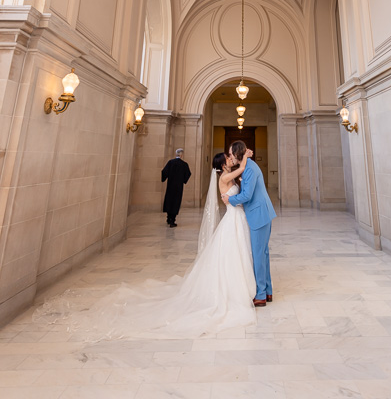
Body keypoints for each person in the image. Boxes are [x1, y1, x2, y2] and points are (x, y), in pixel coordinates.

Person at [34, 147, 257, 339]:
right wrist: (245, 157)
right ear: (222, 165)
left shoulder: (228, 177)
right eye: (227, 158)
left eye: (230, 157)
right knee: (228, 253)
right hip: (231, 219)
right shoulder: (224, 178)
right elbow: (240, 170)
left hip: (235, 219)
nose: (230, 159)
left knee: (233, 253)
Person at [222, 139, 276, 307]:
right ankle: (267, 291)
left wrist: (230, 199)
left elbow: (247, 195)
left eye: (231, 154)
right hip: (261, 214)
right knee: (263, 253)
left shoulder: (250, 169)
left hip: (259, 215)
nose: (230, 157)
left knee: (259, 255)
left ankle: (260, 294)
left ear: (238, 154)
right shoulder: (247, 167)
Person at [161, 148, 191, 227]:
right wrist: (183, 180)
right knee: (176, 202)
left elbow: (164, 172)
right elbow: (188, 174)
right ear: (182, 155)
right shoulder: (184, 164)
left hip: (170, 186)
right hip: (178, 187)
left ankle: (168, 217)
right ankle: (172, 220)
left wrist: (164, 178)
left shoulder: (170, 162)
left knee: (169, 200)